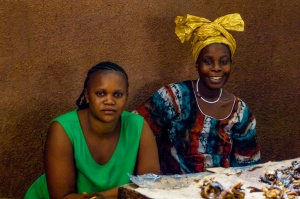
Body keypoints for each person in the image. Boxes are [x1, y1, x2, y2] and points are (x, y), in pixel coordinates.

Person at [133, 13, 261, 175]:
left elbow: (249, 167)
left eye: (224, 61)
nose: (216, 68)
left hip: (221, 190)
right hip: (173, 190)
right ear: (197, 64)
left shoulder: (240, 112)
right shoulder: (175, 98)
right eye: (208, 61)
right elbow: (134, 128)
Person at [25, 61, 160, 199]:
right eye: (101, 93)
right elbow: (62, 197)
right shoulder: (63, 129)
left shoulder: (138, 126)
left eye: (117, 95)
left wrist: (100, 196)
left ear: (126, 96)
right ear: (87, 95)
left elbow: (149, 186)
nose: (109, 101)